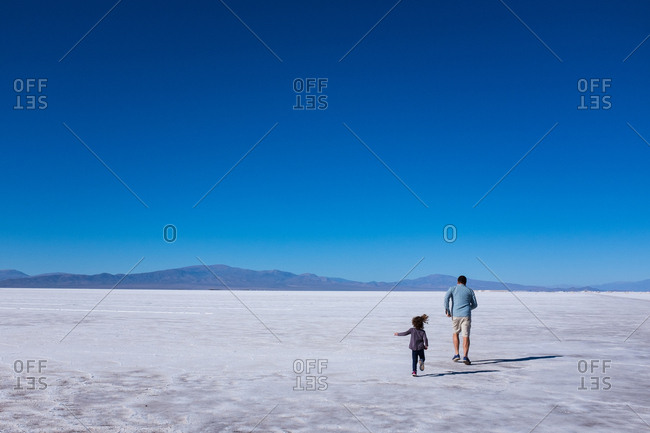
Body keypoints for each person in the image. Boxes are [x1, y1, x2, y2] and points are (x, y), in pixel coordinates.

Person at [444, 275, 477, 365]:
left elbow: (446, 298)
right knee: (465, 335)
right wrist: (467, 308)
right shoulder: (469, 290)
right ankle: (465, 356)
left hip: (455, 315)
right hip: (466, 315)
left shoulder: (452, 289)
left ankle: (456, 354)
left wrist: (447, 309)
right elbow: (475, 304)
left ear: (458, 281)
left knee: (455, 333)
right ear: (465, 282)